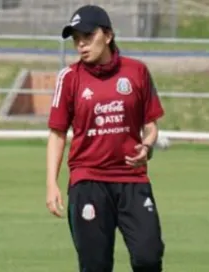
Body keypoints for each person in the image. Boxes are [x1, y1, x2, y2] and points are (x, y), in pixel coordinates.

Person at [45, 5, 165, 272]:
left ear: (108, 35)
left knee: (149, 257)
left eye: (88, 36)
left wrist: (146, 146)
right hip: (88, 181)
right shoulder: (69, 78)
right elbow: (57, 134)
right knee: (95, 266)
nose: (81, 44)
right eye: (76, 39)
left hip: (132, 180)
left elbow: (151, 126)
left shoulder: (137, 72)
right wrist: (51, 183)